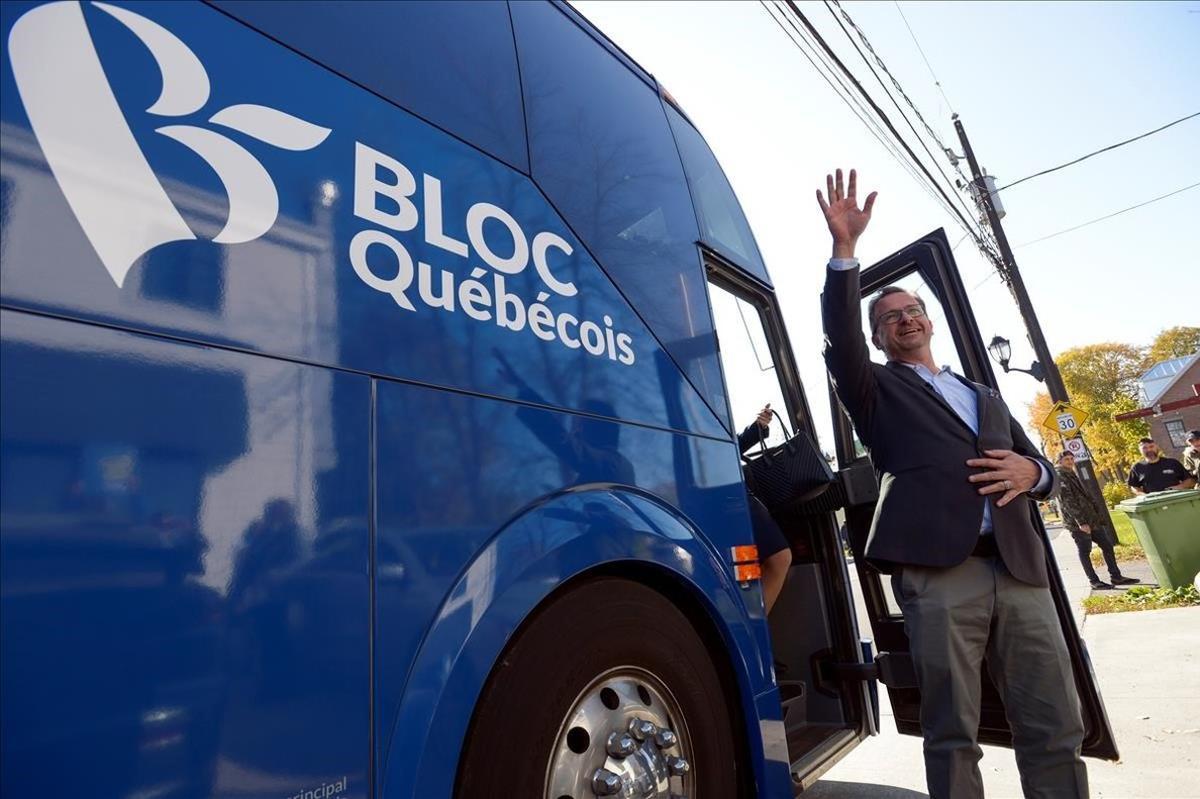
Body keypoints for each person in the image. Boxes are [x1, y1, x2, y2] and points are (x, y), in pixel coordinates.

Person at [818, 168, 1085, 798]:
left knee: (1054, 723)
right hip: (941, 573)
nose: (905, 320)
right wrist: (845, 251)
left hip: (1020, 569)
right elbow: (839, 334)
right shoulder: (876, 390)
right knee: (953, 729)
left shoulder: (983, 394)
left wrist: (1036, 472)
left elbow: (1042, 468)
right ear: (878, 337)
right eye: (890, 317)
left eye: (914, 311)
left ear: (930, 320)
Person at [737, 403, 793, 614]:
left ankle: (751, 630)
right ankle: (752, 634)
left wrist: (757, 428)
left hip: (726, 494)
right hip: (730, 496)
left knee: (747, 574)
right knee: (777, 559)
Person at [1055, 451, 1137, 590]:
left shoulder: (1071, 473)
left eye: (1071, 458)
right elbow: (1068, 502)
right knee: (1085, 551)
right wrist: (1081, 522)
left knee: (1106, 545)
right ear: (1060, 462)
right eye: (1066, 459)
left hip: (1091, 520)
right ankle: (1094, 581)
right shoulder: (1060, 476)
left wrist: (1096, 517)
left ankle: (1116, 576)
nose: (1070, 461)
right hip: (1078, 523)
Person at [1127, 437, 1196, 494]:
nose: (1149, 450)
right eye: (1145, 448)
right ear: (1140, 450)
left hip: (1176, 499)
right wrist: (1143, 495)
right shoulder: (1137, 467)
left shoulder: (1172, 463)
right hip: (1154, 504)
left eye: (1151, 446)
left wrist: (1179, 487)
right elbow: (1134, 486)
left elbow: (1190, 480)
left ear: (1157, 447)